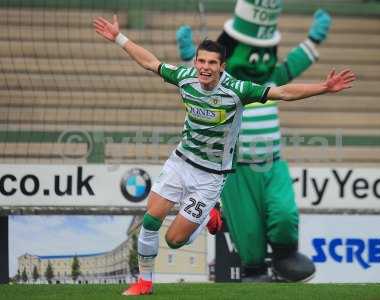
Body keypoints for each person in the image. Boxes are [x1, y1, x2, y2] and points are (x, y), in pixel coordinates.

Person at [93, 14, 355, 296]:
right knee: (151, 219)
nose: (205, 68)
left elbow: (283, 92)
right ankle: (144, 283)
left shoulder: (237, 90)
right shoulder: (185, 78)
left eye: (211, 63)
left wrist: (324, 88)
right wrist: (118, 38)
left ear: (222, 67)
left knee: (175, 240)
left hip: (210, 176)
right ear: (195, 62)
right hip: (180, 163)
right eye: (201, 61)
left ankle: (208, 215)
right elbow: (149, 62)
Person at [176, 0, 332, 282]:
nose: (257, 61)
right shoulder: (229, 85)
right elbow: (203, 78)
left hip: (272, 164)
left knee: (284, 214)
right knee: (247, 229)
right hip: (237, 170)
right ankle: (254, 270)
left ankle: (285, 255)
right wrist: (190, 54)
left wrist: (314, 39)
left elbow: (294, 65)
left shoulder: (272, 79)